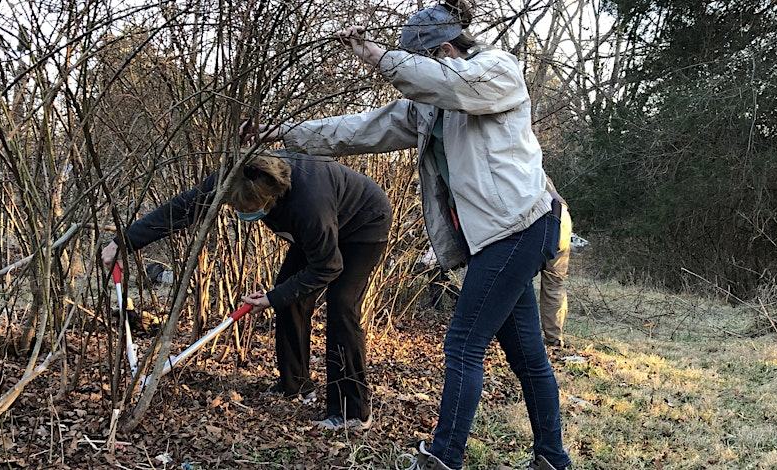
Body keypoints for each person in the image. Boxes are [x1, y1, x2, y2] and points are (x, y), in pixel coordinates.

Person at [243, 1, 571, 468]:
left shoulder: (496, 71)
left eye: (418, 62)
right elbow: (360, 129)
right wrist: (281, 133)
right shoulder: (429, 108)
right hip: (494, 238)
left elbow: (449, 84)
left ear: (443, 49)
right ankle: (553, 459)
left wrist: (375, 55)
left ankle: (442, 457)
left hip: (520, 226)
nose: (416, 74)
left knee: (462, 344)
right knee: (526, 356)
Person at [101, 152, 391, 431]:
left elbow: (328, 267)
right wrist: (123, 243)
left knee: (341, 306)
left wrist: (270, 298)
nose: (242, 214)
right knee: (290, 298)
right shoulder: (237, 175)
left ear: (273, 199)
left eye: (249, 210)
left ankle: (351, 412)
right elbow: (182, 209)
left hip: (364, 223)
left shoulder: (308, 204)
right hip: (320, 229)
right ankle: (297, 385)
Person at [540, 178, 572, 348]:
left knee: (517, 281)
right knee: (555, 284)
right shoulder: (537, 168)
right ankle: (554, 338)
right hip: (562, 217)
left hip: (543, 217)